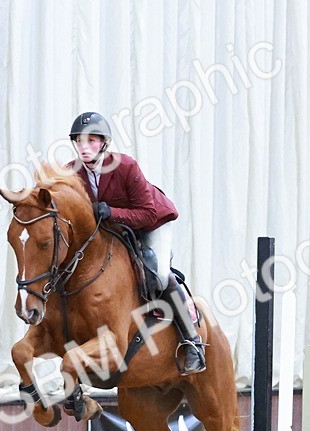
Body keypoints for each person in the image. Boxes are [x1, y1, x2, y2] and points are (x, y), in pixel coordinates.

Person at [66, 111, 206, 375]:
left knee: (160, 275)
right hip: (113, 230)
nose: (84, 147)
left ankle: (192, 342)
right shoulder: (70, 172)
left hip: (152, 223)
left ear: (104, 143)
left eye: (91, 141)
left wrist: (113, 212)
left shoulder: (125, 166)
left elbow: (148, 213)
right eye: (79, 141)